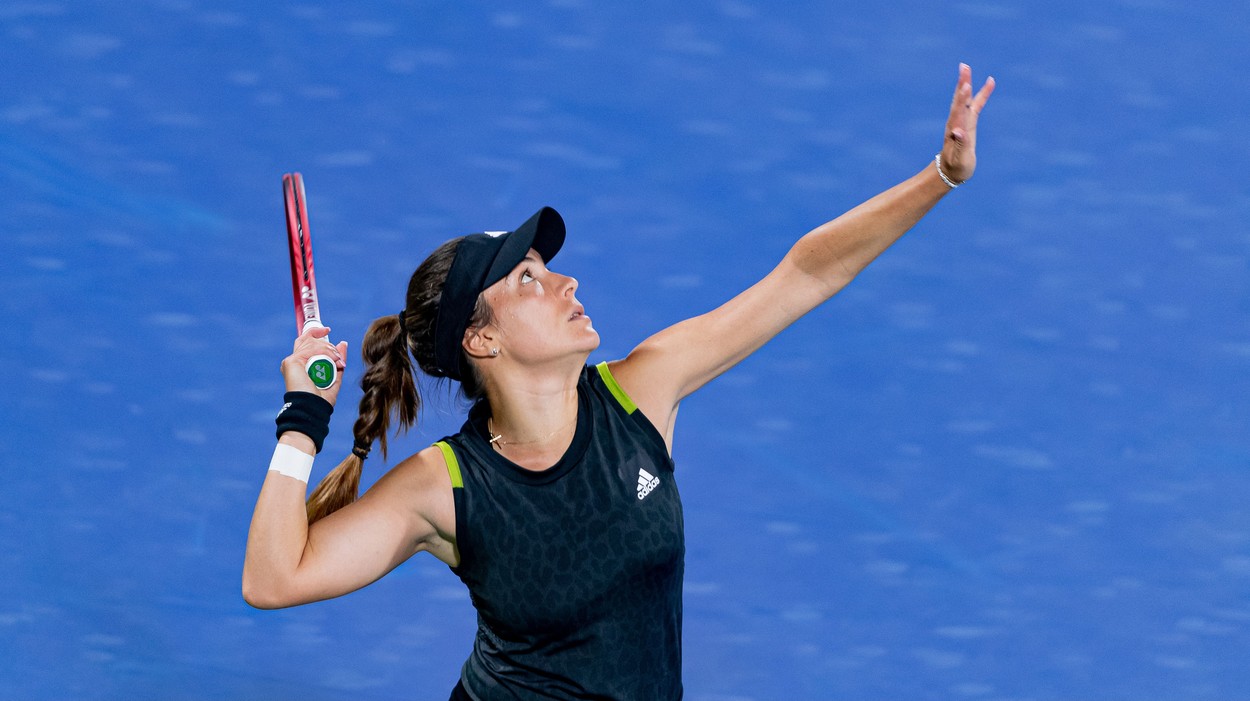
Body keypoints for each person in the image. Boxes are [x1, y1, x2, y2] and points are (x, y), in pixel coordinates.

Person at [243, 63, 995, 700]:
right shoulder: (443, 487)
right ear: (482, 339)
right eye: (530, 278)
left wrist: (939, 177)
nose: (566, 281)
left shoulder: (643, 389)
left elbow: (803, 272)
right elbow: (274, 578)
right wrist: (304, 416)